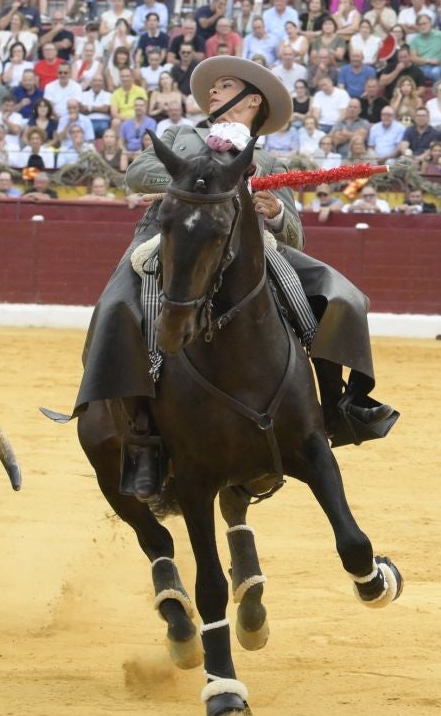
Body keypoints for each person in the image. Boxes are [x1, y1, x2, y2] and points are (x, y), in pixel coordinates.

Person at [70, 55, 397, 502]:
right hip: (168, 244)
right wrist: (205, 175)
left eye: (224, 86)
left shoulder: (263, 156)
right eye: (214, 87)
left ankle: (339, 408)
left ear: (251, 101)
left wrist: (277, 213)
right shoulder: (182, 135)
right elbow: (137, 173)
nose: (212, 93)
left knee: (343, 297)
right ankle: (140, 432)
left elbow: (296, 236)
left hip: (249, 251)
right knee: (114, 309)